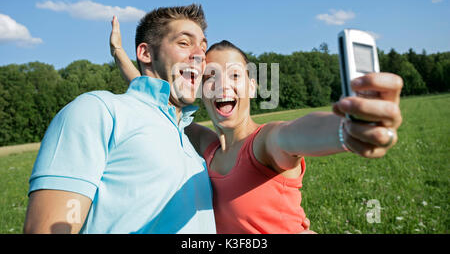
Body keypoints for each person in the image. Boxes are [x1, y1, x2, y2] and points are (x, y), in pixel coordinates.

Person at [111, 19, 404, 233]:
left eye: (235, 76)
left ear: (251, 86)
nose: (222, 84)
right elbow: (157, 100)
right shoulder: (208, 147)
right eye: (210, 76)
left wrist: (346, 131)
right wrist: (120, 56)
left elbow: (296, 134)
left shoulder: (264, 143)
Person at [23, 4, 216, 234]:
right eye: (184, 43)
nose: (199, 55)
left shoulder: (189, 141)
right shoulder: (98, 111)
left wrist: (119, 53)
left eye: (203, 48)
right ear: (145, 53)